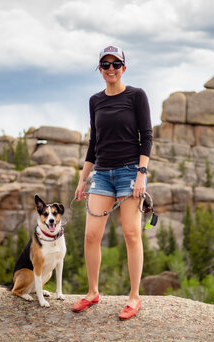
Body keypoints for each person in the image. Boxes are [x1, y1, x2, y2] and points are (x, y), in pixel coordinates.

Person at [71, 45, 152, 320]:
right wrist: (83, 180)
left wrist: (142, 173)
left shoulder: (136, 96)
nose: (111, 69)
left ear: (124, 68)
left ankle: (133, 297)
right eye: (105, 65)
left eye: (116, 64)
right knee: (91, 235)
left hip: (131, 173)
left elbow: (147, 136)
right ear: (100, 70)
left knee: (131, 233)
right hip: (103, 173)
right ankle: (93, 292)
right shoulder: (95, 101)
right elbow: (94, 144)